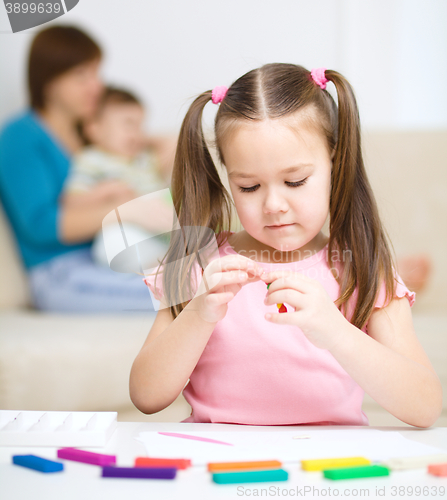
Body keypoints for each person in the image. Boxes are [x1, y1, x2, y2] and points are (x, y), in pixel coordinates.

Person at [129, 64, 442, 428]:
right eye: (249, 187)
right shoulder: (198, 263)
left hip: (327, 469)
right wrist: (198, 313)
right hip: (217, 465)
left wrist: (336, 331)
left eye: (295, 181)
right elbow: (146, 396)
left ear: (334, 164)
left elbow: (424, 407)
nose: (273, 205)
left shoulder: (361, 267)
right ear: (228, 175)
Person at [0, 26, 174, 313]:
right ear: (50, 80)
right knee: (183, 292)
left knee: (195, 280)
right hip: (59, 273)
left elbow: (170, 148)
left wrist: (140, 137)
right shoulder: (19, 137)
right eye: (82, 75)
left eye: (96, 73)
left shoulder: (89, 137)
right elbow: (40, 226)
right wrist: (123, 209)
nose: (96, 86)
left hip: (106, 259)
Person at [62, 86, 173, 268]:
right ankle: (157, 266)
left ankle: (172, 260)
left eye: (140, 125)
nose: (137, 132)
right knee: (110, 244)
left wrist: (144, 138)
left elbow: (175, 145)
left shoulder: (144, 159)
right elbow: (71, 203)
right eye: (128, 124)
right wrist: (103, 192)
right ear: (95, 129)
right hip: (127, 230)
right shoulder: (91, 159)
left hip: (161, 228)